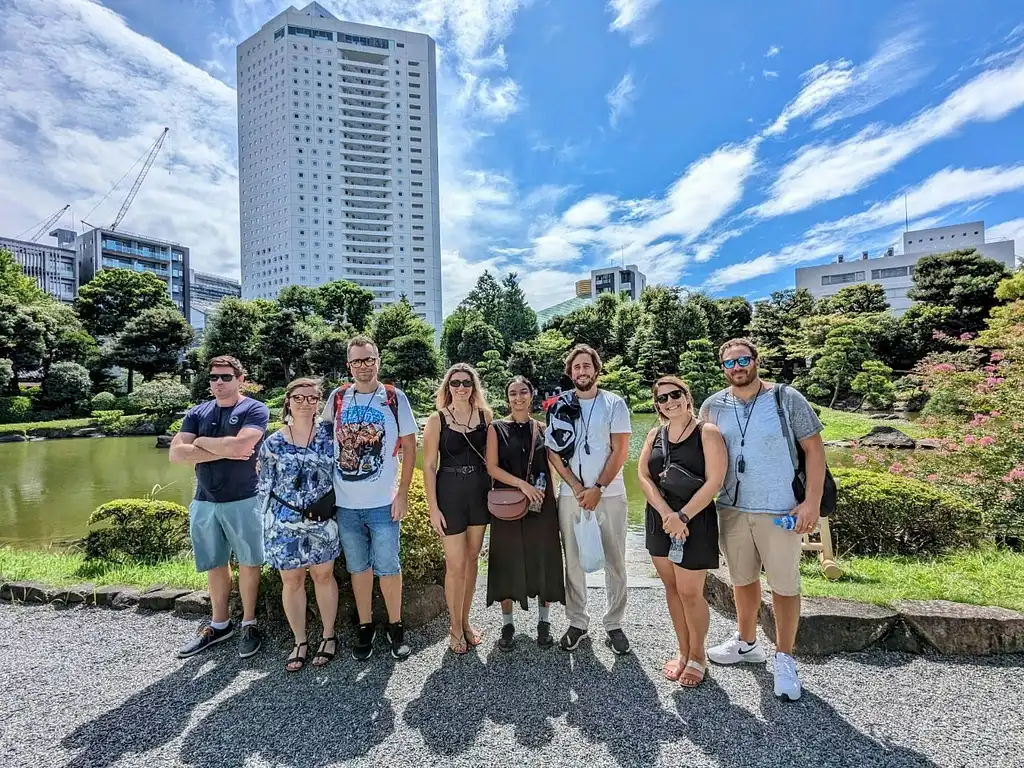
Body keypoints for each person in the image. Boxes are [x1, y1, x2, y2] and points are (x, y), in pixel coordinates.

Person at [699, 338, 826, 702]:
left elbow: (814, 450)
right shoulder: (713, 406)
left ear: (755, 361)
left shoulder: (786, 399)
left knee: (784, 584)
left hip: (780, 509)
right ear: (722, 367)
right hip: (732, 507)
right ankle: (747, 641)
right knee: (742, 579)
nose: (737, 367)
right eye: (729, 363)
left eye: (742, 360)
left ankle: (785, 656)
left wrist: (811, 503)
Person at [321, 336, 418, 662]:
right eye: (357, 361)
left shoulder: (393, 398)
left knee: (389, 567)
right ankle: (365, 625)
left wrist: (402, 494)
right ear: (348, 365)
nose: (364, 366)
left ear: (378, 361)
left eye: (369, 359)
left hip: (383, 502)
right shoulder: (337, 398)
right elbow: (319, 439)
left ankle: (395, 624)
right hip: (346, 504)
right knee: (358, 568)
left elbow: (410, 447)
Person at [170, 355, 269, 659]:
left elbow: (242, 447)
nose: (219, 383)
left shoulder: (253, 408)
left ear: (240, 379)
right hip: (205, 500)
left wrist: (200, 446)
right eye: (214, 378)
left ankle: (249, 622)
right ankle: (219, 623)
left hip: (244, 497)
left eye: (226, 377)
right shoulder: (197, 412)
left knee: (250, 561)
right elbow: (176, 454)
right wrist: (219, 447)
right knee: (215, 563)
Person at [637, 377, 726, 688]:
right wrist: (666, 514)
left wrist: (682, 516)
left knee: (690, 592)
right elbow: (643, 476)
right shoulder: (654, 434)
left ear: (688, 397)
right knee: (672, 589)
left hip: (694, 519)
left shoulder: (707, 433)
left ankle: (698, 655)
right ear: (657, 406)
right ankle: (683, 650)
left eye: (675, 395)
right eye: (662, 398)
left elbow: (715, 481)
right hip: (660, 519)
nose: (669, 401)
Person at [547, 344, 632, 654]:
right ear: (570, 373)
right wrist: (576, 486)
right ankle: (577, 621)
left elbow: (620, 450)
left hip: (609, 493)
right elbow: (554, 453)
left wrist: (597, 487)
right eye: (576, 367)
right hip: (571, 494)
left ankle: (614, 623)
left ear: (597, 370)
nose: (581, 372)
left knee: (615, 558)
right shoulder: (559, 406)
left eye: (587, 366)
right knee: (573, 559)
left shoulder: (614, 404)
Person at [256, 378, 341, 671]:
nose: (306, 403)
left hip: (322, 518)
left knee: (323, 576)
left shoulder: (330, 437)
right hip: (284, 521)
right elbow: (264, 487)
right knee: (291, 581)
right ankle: (300, 640)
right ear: (288, 401)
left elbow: (343, 474)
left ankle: (329, 636)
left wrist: (332, 503)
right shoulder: (273, 442)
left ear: (319, 402)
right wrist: (265, 525)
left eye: (312, 398)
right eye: (299, 398)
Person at [486, 376, 565, 651]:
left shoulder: (543, 429)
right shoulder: (496, 428)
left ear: (531, 395)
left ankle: (544, 621)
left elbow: (554, 466)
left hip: (540, 505)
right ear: (507, 398)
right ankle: (507, 623)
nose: (518, 397)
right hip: (508, 504)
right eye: (512, 393)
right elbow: (492, 468)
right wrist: (522, 484)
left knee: (543, 559)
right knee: (506, 560)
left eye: (523, 392)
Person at [422, 364, 492, 655]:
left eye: (466, 383)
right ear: (447, 387)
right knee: (456, 563)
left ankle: (465, 621)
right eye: (455, 383)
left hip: (478, 491)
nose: (461, 388)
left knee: (473, 559)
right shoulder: (436, 420)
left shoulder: (486, 417)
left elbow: (494, 459)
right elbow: (428, 466)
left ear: (474, 386)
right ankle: (453, 626)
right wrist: (433, 508)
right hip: (449, 492)